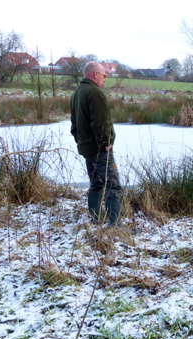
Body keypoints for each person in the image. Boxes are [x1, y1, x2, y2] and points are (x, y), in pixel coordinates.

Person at [70, 61, 121, 226]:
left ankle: (96, 219)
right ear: (95, 75)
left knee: (96, 183)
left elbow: (74, 126)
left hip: (87, 148)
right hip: (100, 149)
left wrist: (82, 143)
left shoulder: (77, 93)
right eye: (103, 75)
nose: (105, 79)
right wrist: (106, 143)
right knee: (112, 185)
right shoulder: (94, 93)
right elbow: (100, 123)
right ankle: (115, 225)